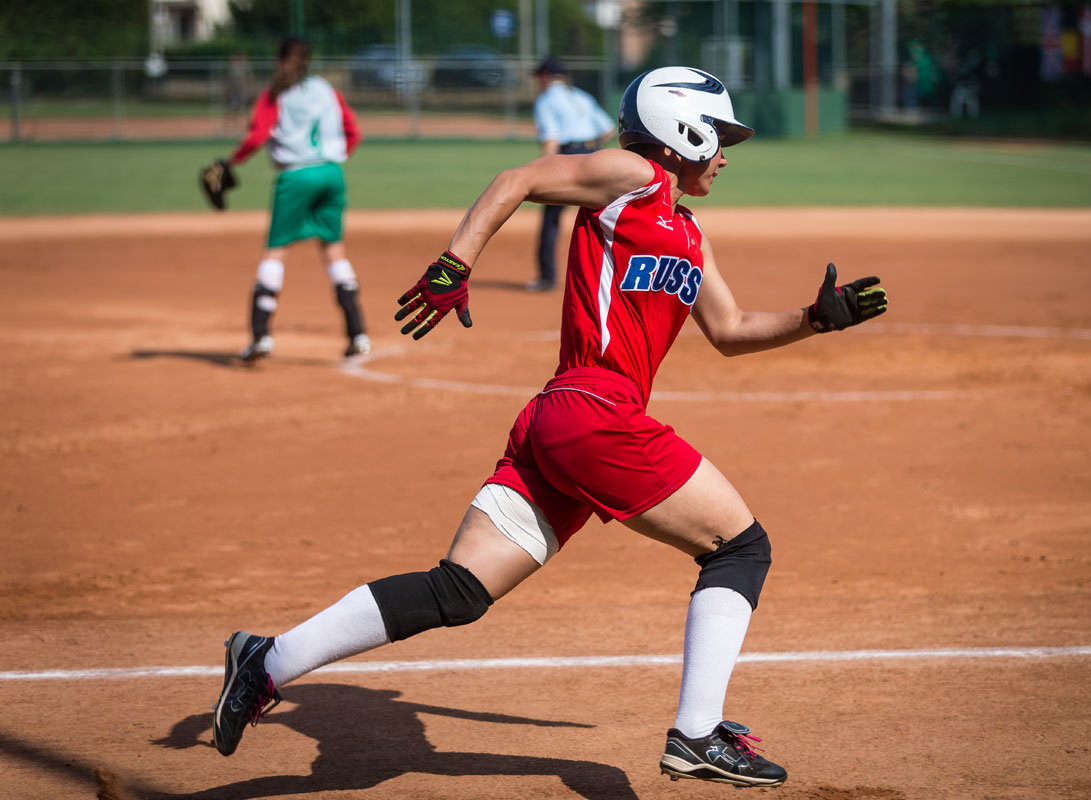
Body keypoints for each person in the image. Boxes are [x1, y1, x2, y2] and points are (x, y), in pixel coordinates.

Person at [212, 66, 888, 789]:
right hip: (596, 413)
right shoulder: (631, 175)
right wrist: (454, 263)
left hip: (562, 424)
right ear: (680, 129)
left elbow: (729, 328)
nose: (725, 155)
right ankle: (697, 733)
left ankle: (266, 660)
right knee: (741, 548)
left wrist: (817, 319)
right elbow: (518, 180)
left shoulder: (689, 232)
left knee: (459, 590)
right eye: (719, 137)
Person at [229, 37, 370, 363]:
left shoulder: (275, 93)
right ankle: (358, 334)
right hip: (332, 174)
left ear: (280, 61)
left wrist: (232, 162)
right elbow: (354, 132)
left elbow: (257, 135)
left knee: (275, 252)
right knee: (334, 253)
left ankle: (261, 336)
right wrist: (330, 161)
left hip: (295, 176)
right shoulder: (327, 90)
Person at [527, 57, 615, 292]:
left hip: (569, 156)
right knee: (603, 217)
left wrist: (544, 169)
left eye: (539, 77)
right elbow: (608, 129)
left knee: (551, 218)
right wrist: (590, 147)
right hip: (596, 156)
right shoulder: (581, 96)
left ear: (546, 77)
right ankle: (611, 278)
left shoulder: (546, 100)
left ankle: (547, 278)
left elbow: (551, 139)